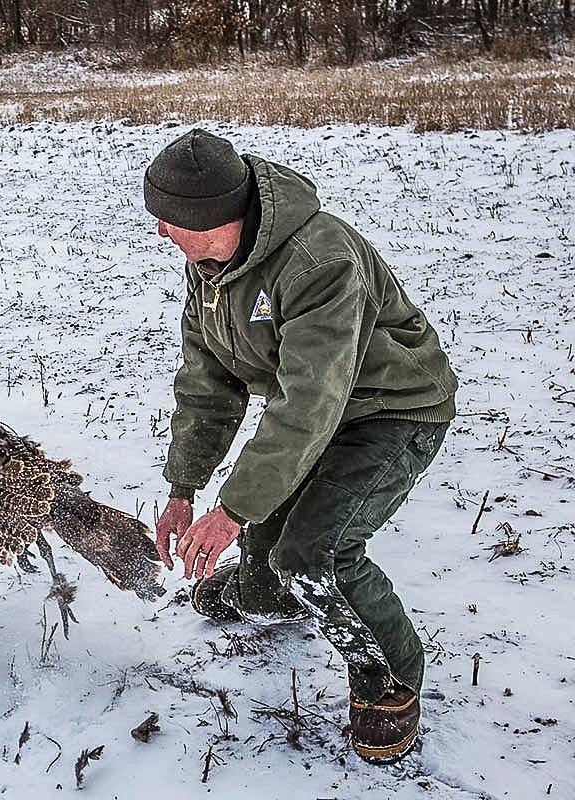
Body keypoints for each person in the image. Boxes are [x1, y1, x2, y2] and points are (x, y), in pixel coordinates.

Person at [146, 129, 458, 765]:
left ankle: (389, 685)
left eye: (173, 222)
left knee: (314, 554)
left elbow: (307, 403)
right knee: (269, 558)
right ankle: (260, 589)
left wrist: (230, 511)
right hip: (317, 414)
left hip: (388, 412)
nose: (162, 235)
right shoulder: (211, 264)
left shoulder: (320, 260)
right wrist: (184, 489)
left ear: (219, 218)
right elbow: (209, 383)